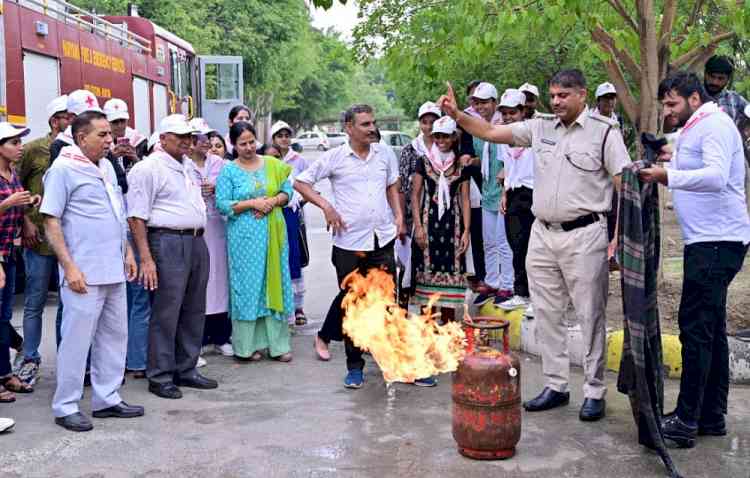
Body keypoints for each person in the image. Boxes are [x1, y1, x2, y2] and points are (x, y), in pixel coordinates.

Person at [440, 68, 631, 421]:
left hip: (585, 233)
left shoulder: (605, 133)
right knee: (546, 314)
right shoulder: (540, 126)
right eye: (553, 95)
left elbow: (626, 186)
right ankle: (556, 385)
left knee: (590, 314)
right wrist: (456, 115)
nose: (556, 101)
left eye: (564, 95)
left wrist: (619, 237)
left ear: (583, 95)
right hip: (542, 235)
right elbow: (491, 131)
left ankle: (593, 390)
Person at [639, 71, 750, 448]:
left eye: (672, 104)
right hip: (711, 241)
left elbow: (717, 176)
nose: (668, 112)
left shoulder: (715, 125)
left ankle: (686, 421)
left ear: (694, 99)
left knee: (695, 330)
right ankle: (711, 415)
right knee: (712, 329)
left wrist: (666, 175)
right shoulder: (697, 126)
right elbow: (689, 157)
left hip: (716, 243)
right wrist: (668, 155)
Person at [41, 111, 144, 431]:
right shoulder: (63, 169)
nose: (109, 140)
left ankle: (107, 398)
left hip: (114, 267)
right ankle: (66, 405)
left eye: (108, 135)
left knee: (115, 336)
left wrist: (127, 251)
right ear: (81, 137)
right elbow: (50, 220)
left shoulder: (106, 167)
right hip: (82, 272)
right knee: (76, 340)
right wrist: (68, 267)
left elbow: (117, 213)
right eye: (102, 135)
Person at [295, 104, 405, 388]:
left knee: (386, 303)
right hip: (349, 243)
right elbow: (301, 182)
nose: (372, 128)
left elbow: (392, 186)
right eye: (366, 124)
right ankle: (354, 366)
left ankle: (393, 361)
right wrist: (326, 206)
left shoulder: (385, 154)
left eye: (373, 123)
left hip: (381, 238)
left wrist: (399, 215)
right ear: (349, 128)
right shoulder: (335, 157)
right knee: (353, 304)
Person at [127, 114, 218, 399]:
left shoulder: (187, 166)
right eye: (179, 136)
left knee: (193, 308)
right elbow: (136, 217)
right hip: (166, 241)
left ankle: (186, 368)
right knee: (166, 311)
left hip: (195, 240)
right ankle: (161, 375)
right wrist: (146, 258)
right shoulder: (148, 168)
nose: (186, 141)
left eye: (189, 137)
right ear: (163, 138)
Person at [216, 122, 294, 362]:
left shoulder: (272, 164)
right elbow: (222, 203)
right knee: (249, 288)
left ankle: (278, 345)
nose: (249, 147)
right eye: (243, 144)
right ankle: (248, 346)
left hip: (273, 235)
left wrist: (270, 202)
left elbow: (287, 192)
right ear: (234, 145)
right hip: (243, 238)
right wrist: (252, 204)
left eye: (252, 142)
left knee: (274, 285)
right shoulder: (229, 170)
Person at [16, 96, 69, 386]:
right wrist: (25, 221)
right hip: (38, 238)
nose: (71, 121)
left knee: (68, 303)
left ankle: (68, 358)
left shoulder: (78, 151)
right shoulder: (34, 149)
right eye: (66, 116)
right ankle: (30, 358)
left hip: (68, 240)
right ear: (54, 120)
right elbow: (15, 184)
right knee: (35, 300)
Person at [102, 98, 151, 378]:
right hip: (113, 231)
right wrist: (111, 156)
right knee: (115, 299)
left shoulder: (140, 142)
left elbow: (141, 180)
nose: (119, 128)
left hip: (133, 226)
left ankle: (135, 358)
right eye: (114, 122)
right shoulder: (96, 153)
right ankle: (115, 360)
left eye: (122, 121)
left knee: (137, 296)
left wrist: (133, 158)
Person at [411, 115, 470, 329]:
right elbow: (415, 195)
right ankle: (428, 334)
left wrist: (466, 231)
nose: (441, 140)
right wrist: (417, 226)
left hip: (452, 229)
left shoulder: (460, 164)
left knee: (451, 282)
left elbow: (464, 199)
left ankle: (448, 334)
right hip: (428, 227)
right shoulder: (423, 162)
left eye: (445, 136)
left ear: (454, 138)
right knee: (426, 280)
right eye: (437, 136)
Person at [461, 82, 514, 306]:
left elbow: (508, 160)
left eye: (485, 102)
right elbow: (485, 158)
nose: (481, 106)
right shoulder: (479, 128)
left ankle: (508, 285)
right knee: (489, 242)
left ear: (494, 103)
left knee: (504, 242)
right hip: (486, 191)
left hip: (503, 192)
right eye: (477, 102)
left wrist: (504, 189)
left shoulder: (503, 126)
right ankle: (491, 282)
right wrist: (470, 160)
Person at [187, 118, 232, 360]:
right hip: (194, 230)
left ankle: (221, 336)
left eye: (205, 138)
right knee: (199, 285)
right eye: (198, 139)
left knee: (220, 281)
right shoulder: (183, 165)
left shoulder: (221, 165)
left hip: (218, 228)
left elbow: (232, 190)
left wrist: (217, 189)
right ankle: (200, 339)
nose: (203, 143)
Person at [0, 123, 37, 403]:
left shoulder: (12, 173)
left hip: (10, 253)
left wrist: (27, 207)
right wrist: (8, 202)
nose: (19, 146)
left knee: (3, 318)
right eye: (14, 142)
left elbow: (18, 205)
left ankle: (5, 373)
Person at [397, 101, 442, 306]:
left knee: (433, 265)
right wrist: (402, 221)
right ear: (419, 124)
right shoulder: (410, 150)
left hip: (438, 215)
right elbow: (401, 186)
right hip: (412, 214)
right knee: (407, 266)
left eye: (433, 122)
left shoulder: (445, 147)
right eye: (425, 122)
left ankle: (430, 317)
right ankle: (402, 313)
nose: (429, 126)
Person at [496, 89, 535, 317]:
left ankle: (537, 297)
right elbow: (508, 169)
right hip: (512, 193)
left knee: (531, 247)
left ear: (523, 111)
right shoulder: (504, 136)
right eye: (505, 113)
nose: (508, 117)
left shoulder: (533, 134)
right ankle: (521, 293)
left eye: (513, 112)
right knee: (515, 245)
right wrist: (504, 192)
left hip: (532, 193)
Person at [270, 121, 309, 327]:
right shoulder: (264, 159)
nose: (284, 138)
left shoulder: (298, 160)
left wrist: (296, 201)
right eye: (280, 135)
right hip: (271, 214)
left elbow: (308, 187)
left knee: (294, 257)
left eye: (287, 135)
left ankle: (297, 306)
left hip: (292, 213)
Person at [703, 55, 748, 128]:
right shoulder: (694, 96)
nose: (715, 82)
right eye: (712, 76)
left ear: (728, 79)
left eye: (720, 78)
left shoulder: (735, 99)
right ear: (705, 74)